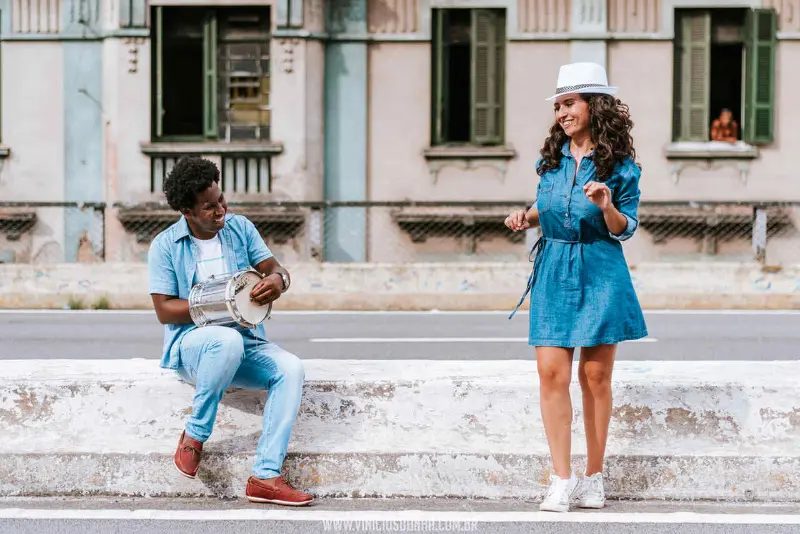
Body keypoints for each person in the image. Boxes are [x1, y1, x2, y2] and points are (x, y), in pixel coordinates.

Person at [504, 62, 647, 513]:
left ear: (594, 106)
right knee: (551, 373)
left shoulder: (621, 167)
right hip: (554, 268)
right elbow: (550, 206)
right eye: (559, 105)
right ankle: (561, 479)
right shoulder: (551, 159)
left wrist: (606, 204)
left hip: (601, 268)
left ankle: (594, 477)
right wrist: (524, 216)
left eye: (570, 103)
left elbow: (625, 228)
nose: (562, 113)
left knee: (596, 376)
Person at [147, 155, 313, 506]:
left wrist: (278, 280)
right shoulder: (165, 246)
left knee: (291, 368)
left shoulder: (240, 227)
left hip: (246, 342)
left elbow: (274, 267)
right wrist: (224, 307)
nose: (220, 209)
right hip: (195, 346)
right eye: (209, 207)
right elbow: (164, 310)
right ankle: (195, 434)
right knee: (224, 339)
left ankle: (265, 476)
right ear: (186, 211)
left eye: (221, 200)